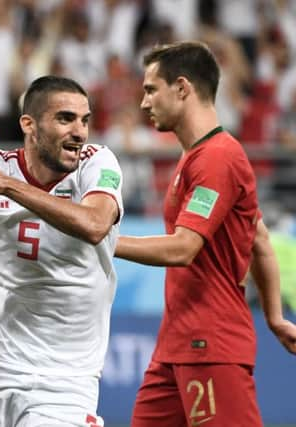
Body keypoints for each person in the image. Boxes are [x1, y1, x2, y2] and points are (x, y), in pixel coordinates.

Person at [114, 41, 296, 427]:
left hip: (209, 343)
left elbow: (183, 248)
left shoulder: (217, 158)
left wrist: (99, 240)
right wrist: (276, 317)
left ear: (182, 88)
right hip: (175, 345)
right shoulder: (196, 156)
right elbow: (259, 238)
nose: (144, 103)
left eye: (150, 89)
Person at [0, 75, 123, 427]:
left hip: (66, 380)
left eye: (85, 120)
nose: (80, 132)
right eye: (65, 118)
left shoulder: (97, 164)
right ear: (29, 124)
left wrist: (8, 187)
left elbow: (96, 225)